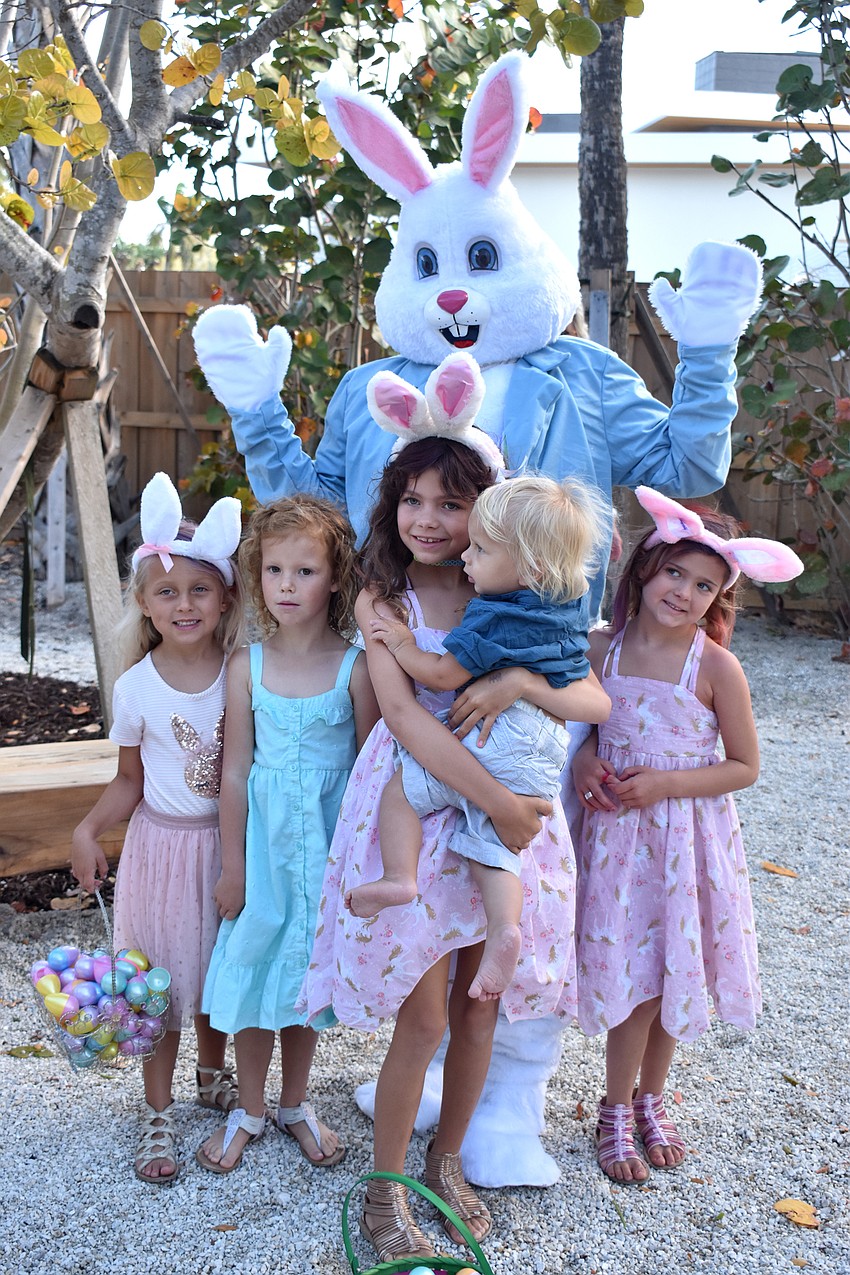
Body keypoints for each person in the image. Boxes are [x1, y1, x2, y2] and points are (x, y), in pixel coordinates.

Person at [301, 421, 611, 1264]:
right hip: (427, 803)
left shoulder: (517, 591)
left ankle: (448, 1158)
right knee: (425, 1011)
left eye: (451, 503)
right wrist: (498, 803)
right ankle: (386, 1185)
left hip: (498, 825)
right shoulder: (384, 599)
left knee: (481, 1004)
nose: (429, 519)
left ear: (492, 517)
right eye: (413, 499)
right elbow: (405, 718)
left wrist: (516, 680)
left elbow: (593, 700)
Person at [571, 485, 803, 1185]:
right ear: (644, 568)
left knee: (673, 969)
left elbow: (745, 766)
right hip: (617, 840)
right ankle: (615, 1106)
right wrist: (585, 759)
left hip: (682, 843)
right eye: (675, 572)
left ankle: (651, 1097)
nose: (684, 592)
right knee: (632, 976)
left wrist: (668, 783)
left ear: (718, 597)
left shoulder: (716, 666)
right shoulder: (601, 649)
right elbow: (582, 732)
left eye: (704, 585)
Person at [351, 473, 607, 1007]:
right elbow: (593, 699)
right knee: (494, 847)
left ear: (529, 564)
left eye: (480, 548)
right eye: (412, 500)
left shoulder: (493, 612)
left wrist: (402, 644)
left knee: (401, 792)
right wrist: (525, 681)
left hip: (485, 740)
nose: (467, 555)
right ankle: (505, 926)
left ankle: (399, 876)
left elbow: (442, 675)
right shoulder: (560, 607)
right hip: (540, 756)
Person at [196, 495, 379, 1174]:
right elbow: (235, 772)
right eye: (274, 570)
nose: (287, 585)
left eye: (305, 571)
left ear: (335, 578)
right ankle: (249, 1106)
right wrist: (232, 867)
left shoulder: (356, 666)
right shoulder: (248, 665)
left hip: (328, 851)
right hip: (264, 852)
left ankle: (295, 1102)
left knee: (306, 976)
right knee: (253, 969)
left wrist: (364, 863)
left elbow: (369, 772)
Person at [71, 472, 245, 1184]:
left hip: (223, 847)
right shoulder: (135, 686)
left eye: (200, 589)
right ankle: (157, 1108)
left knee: (214, 973)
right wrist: (87, 830)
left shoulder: (239, 674)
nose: (184, 604)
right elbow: (128, 780)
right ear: (143, 603)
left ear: (225, 596)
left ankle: (212, 1073)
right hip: (158, 850)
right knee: (160, 984)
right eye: (167, 592)